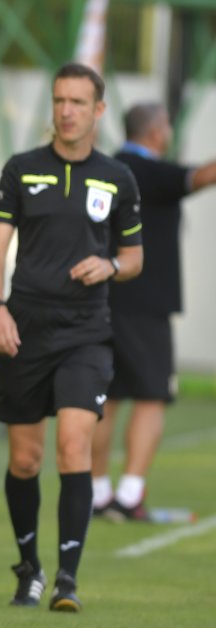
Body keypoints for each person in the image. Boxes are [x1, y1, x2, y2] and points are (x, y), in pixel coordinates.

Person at [0, 63, 143, 612]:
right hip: (24, 328)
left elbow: (133, 257)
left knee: (74, 446)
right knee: (26, 459)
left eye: (78, 102)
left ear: (99, 111)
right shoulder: (22, 169)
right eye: (59, 101)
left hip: (85, 333)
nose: (66, 111)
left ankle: (67, 581)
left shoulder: (118, 177)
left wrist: (111, 268)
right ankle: (29, 568)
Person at [90, 103, 216, 521]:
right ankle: (129, 495)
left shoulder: (104, 168)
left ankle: (96, 491)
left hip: (102, 299)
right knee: (152, 397)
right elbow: (199, 176)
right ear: (156, 132)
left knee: (105, 399)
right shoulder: (148, 172)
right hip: (145, 308)